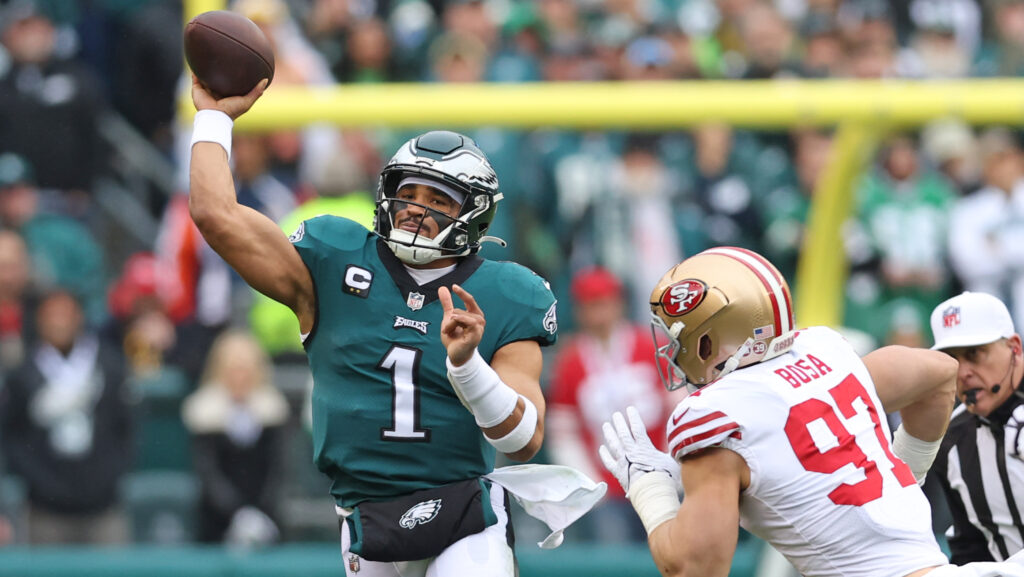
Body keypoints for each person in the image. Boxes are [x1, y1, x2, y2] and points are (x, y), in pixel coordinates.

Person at [187, 78, 597, 576]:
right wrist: (213, 118)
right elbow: (215, 214)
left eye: (439, 200)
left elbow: (524, 439)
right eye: (409, 193)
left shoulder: (507, 292)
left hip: (463, 512)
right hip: (365, 517)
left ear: (474, 215)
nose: (417, 209)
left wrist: (467, 367)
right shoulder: (334, 257)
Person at [597, 246, 1024, 577]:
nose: (673, 350)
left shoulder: (715, 416)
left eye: (680, 336)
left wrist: (649, 491)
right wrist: (903, 475)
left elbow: (695, 569)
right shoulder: (824, 351)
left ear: (709, 341)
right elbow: (938, 372)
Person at [546, 266, 674, 544]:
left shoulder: (652, 347)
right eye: (590, 306)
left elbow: (679, 410)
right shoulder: (571, 362)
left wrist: (672, 467)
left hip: (663, 478)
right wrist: (591, 485)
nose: (598, 314)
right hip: (607, 490)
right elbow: (563, 433)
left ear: (619, 304)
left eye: (604, 304)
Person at [0, 289, 133, 545]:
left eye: (65, 314)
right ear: (39, 320)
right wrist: (44, 485)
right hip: (45, 509)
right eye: (51, 315)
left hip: (103, 506)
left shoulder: (110, 366)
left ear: (79, 317)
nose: (58, 322)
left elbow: (125, 430)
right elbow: (13, 437)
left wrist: (104, 480)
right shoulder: (22, 374)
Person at [928, 291, 1024, 564]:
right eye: (952, 359)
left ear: (1014, 348)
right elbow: (971, 548)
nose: (963, 372)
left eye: (975, 353)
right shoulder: (951, 439)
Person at [182, 330, 288, 547]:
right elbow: (208, 472)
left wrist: (260, 512)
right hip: (215, 526)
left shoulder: (272, 411)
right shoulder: (204, 413)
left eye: (245, 369)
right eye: (233, 369)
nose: (239, 376)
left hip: (267, 522)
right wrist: (237, 512)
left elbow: (278, 470)